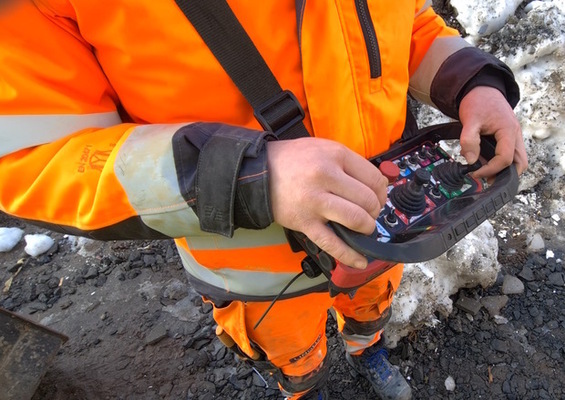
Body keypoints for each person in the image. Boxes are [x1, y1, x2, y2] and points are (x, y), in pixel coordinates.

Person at [0, 1, 528, 399]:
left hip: (383, 219)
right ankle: (304, 386)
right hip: (257, 265)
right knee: (290, 348)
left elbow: (407, 24)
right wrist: (248, 176)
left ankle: (368, 349)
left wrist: (472, 82)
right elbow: (29, 158)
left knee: (371, 303)